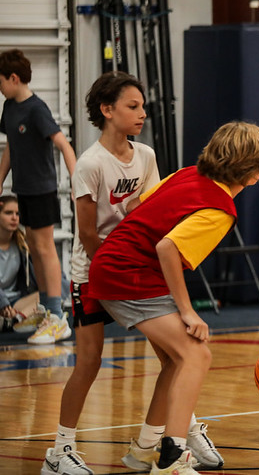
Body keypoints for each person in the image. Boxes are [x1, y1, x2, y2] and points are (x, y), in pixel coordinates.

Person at [40, 73, 222, 475]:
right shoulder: (90, 163)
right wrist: (116, 270)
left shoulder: (146, 156)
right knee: (89, 362)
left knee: (176, 357)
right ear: (107, 110)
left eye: (142, 106)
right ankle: (60, 451)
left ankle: (158, 441)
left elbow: (148, 210)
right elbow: (88, 233)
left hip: (135, 270)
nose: (142, 114)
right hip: (94, 273)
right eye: (133, 106)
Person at [85, 121, 259, 475]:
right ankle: (172, 458)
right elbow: (167, 248)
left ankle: (143, 450)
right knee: (197, 354)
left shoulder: (187, 174)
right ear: (253, 171)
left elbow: (134, 206)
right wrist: (188, 311)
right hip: (129, 273)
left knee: (177, 361)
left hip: (119, 265)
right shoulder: (220, 209)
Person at [0, 48, 76, 344]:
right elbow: (11, 147)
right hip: (23, 189)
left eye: (0, 82)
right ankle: (45, 309)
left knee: (45, 249)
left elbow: (63, 144)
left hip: (43, 189)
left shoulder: (37, 109)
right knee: (34, 246)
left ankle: (58, 317)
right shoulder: (9, 108)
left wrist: (77, 181)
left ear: (13, 78)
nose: (0, 88)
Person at [0, 195, 39, 332]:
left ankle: (14, 320)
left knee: (46, 295)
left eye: (17, 214)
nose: (14, 218)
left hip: (15, 302)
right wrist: (2, 302)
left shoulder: (22, 245)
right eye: (8, 213)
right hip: (1, 300)